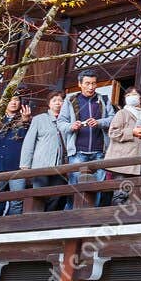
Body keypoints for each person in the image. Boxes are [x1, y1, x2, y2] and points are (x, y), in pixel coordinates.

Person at [61, 70, 114, 204]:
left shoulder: (104, 99)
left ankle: (92, 217)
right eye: (87, 83)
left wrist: (99, 122)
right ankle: (72, 217)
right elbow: (61, 123)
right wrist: (72, 126)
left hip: (99, 151)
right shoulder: (70, 100)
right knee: (76, 188)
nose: (91, 87)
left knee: (96, 189)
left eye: (94, 83)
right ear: (80, 84)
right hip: (77, 151)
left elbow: (113, 119)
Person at [20, 94, 70, 211]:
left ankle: (47, 219)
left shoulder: (67, 120)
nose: (58, 103)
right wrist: (25, 164)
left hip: (60, 166)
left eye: (61, 100)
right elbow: (29, 142)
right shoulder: (39, 119)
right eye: (54, 100)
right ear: (49, 104)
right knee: (39, 194)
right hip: (41, 164)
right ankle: (35, 221)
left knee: (56, 195)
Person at [104, 87, 141, 201]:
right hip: (123, 161)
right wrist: (132, 132)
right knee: (121, 194)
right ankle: (115, 217)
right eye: (128, 95)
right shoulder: (122, 113)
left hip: (140, 160)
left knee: (138, 196)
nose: (130, 97)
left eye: (133, 94)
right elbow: (113, 132)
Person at [0, 96, 31, 215]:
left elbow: (28, 140)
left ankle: (12, 226)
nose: (13, 102)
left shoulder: (27, 119)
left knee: (17, 200)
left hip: (17, 166)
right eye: (10, 99)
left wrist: (25, 121)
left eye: (16, 100)